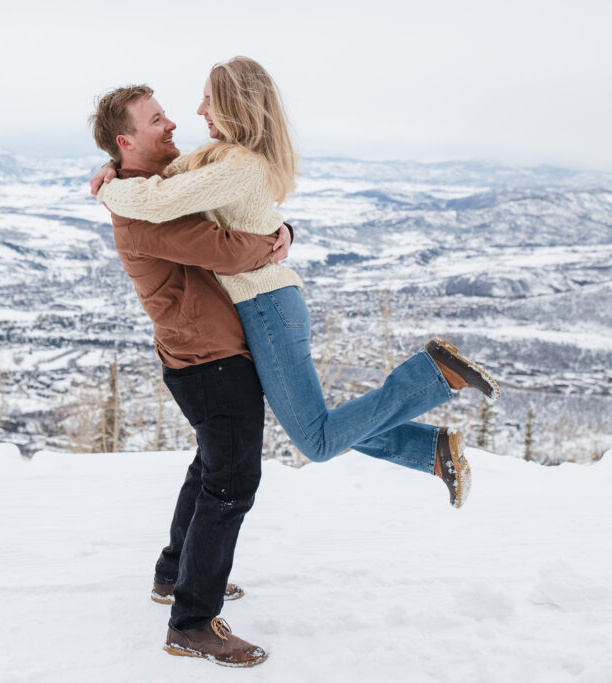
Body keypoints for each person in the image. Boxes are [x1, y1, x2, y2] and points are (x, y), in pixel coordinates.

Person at [91, 57, 501, 511]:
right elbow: (162, 176)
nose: (199, 110)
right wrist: (115, 165)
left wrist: (107, 190)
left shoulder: (236, 165)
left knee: (317, 440)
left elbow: (160, 198)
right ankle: (432, 452)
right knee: (313, 422)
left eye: (208, 100)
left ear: (231, 104)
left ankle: (432, 376)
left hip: (266, 306)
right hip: (266, 306)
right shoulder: (216, 157)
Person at [88, 84, 284, 667]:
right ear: (126, 141)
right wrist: (278, 241)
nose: (172, 125)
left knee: (209, 470)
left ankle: (174, 576)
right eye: (156, 121)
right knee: (231, 483)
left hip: (203, 353)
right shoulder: (137, 207)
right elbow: (226, 249)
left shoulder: (151, 189)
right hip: (209, 359)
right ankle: (193, 622)